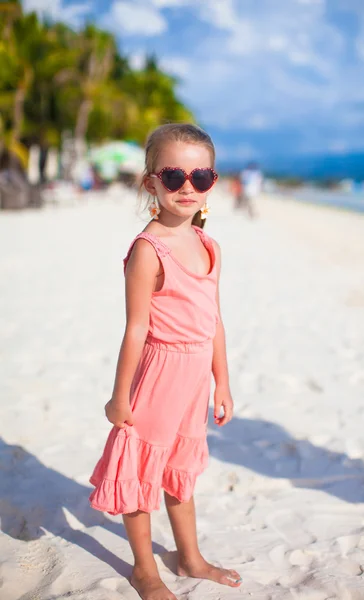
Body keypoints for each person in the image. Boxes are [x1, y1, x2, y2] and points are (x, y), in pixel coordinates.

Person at [89, 123, 242, 600]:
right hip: (158, 375)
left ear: (213, 182)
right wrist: (119, 396)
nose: (187, 188)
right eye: (174, 176)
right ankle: (144, 569)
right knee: (140, 470)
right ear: (150, 181)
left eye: (202, 178)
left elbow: (213, 320)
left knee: (180, 468)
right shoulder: (147, 250)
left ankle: (189, 556)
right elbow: (135, 329)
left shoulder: (207, 245)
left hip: (195, 378)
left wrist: (222, 382)